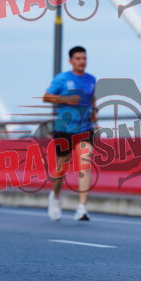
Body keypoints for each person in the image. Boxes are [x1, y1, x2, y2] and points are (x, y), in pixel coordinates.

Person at [43, 46, 97, 222]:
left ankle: (82, 207)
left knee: (85, 162)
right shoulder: (62, 79)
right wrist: (66, 99)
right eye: (78, 58)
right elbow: (46, 97)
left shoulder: (91, 79)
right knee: (61, 168)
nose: (82, 61)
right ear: (71, 61)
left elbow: (92, 100)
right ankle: (55, 197)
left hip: (85, 128)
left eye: (84, 58)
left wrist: (94, 116)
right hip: (64, 129)